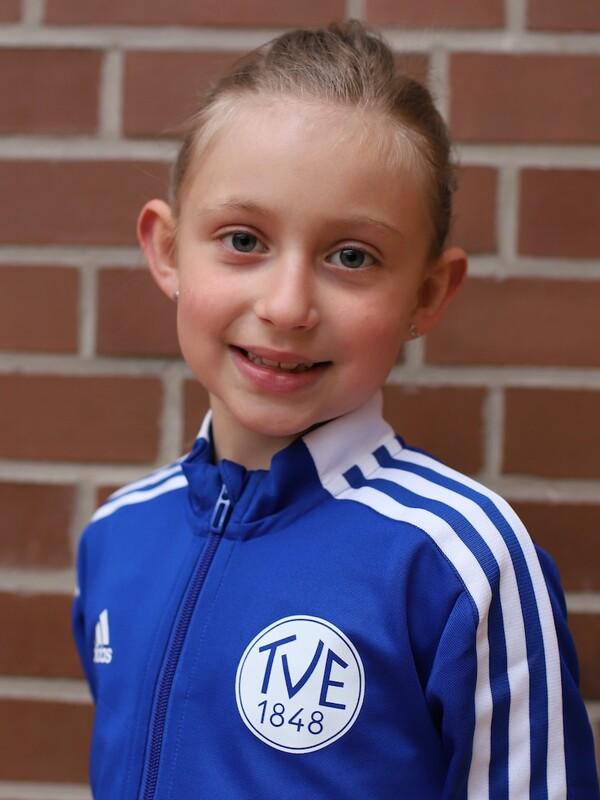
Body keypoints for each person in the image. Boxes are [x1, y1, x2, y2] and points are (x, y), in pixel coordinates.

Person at [72, 20, 599, 800]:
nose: (287, 306)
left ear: (426, 294)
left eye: (352, 256)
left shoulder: (463, 559)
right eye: (244, 240)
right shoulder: (117, 536)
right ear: (168, 250)